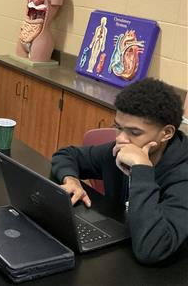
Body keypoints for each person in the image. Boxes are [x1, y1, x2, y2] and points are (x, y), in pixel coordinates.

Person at [51, 78, 188, 264]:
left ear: (166, 133)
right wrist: (71, 179)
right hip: (120, 254)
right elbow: (67, 155)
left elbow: (152, 248)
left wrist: (142, 169)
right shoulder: (120, 150)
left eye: (134, 132)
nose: (121, 138)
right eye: (118, 127)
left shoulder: (182, 175)